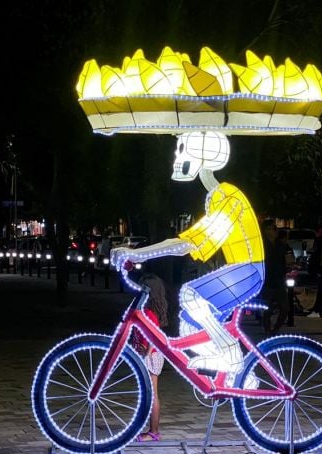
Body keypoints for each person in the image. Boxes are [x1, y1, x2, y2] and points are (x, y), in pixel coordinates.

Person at [112, 131, 264, 375]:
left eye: (183, 149)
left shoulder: (227, 196)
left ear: (204, 155)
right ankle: (243, 379)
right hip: (238, 272)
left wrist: (139, 254)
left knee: (189, 294)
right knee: (188, 328)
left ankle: (232, 355)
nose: (177, 156)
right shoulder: (216, 196)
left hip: (248, 271)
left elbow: (191, 242)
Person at [130, 273, 169, 442]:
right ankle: (150, 429)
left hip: (151, 356)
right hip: (148, 354)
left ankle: (154, 432)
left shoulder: (149, 313)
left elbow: (152, 336)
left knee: (152, 394)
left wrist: (146, 353)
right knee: (149, 393)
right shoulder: (147, 311)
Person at [260, 221, 290, 335]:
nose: (276, 231)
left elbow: (286, 259)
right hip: (267, 281)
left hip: (279, 280)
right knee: (268, 309)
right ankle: (268, 330)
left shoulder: (280, 245)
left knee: (285, 307)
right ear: (266, 230)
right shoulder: (262, 246)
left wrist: (288, 267)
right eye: (273, 228)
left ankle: (275, 329)